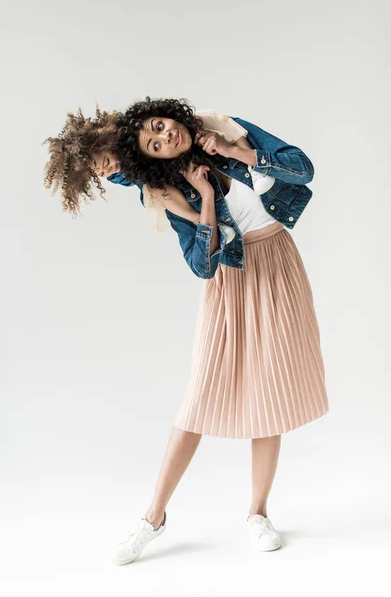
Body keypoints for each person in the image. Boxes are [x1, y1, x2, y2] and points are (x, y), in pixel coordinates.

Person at [43, 98, 329, 565]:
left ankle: (258, 514)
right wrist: (208, 202)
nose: (163, 138)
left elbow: (302, 169)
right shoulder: (165, 186)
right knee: (199, 399)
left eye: (161, 128)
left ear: (169, 114)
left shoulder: (225, 128)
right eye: (151, 144)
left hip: (277, 261)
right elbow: (202, 264)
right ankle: (152, 519)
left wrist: (235, 152)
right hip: (231, 277)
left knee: (271, 390)